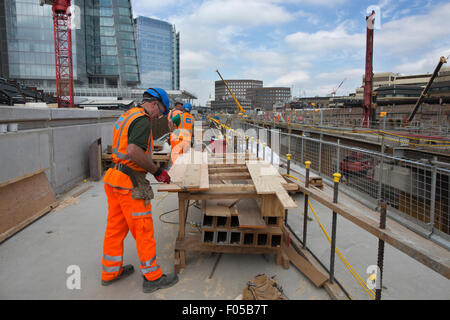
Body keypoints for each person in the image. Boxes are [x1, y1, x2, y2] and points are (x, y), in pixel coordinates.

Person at [101, 88, 179, 293]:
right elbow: (134, 150)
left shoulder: (127, 115)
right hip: (130, 183)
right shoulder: (143, 120)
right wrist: (156, 171)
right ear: (154, 104)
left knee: (115, 229)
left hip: (114, 178)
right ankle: (152, 277)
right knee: (143, 229)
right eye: (160, 111)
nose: (159, 116)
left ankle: (110, 272)